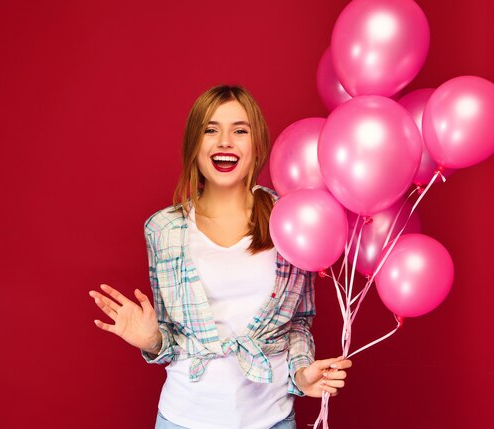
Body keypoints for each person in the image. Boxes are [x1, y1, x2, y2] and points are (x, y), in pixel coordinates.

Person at [89, 85, 352, 429]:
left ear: (256, 144)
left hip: (270, 420)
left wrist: (302, 375)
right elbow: (171, 339)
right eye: (210, 130)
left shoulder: (292, 218)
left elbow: (299, 322)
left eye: (239, 130)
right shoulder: (162, 229)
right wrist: (153, 340)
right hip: (181, 418)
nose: (225, 141)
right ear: (194, 145)